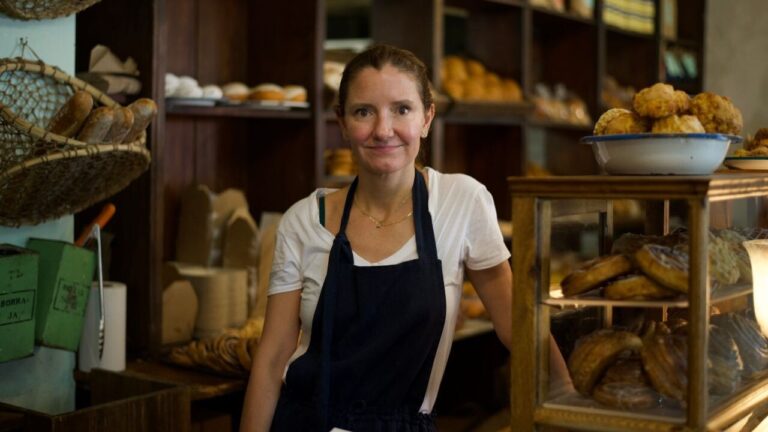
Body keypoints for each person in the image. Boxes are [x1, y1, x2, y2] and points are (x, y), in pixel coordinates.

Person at [240, 44, 569, 432]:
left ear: (427, 118)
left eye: (402, 109)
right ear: (342, 122)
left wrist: (565, 395)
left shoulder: (462, 201)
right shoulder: (302, 221)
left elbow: (516, 324)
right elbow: (273, 355)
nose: (383, 130)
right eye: (364, 111)